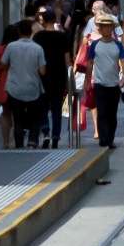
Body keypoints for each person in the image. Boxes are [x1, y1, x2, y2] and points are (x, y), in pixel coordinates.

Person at [1, 24, 48, 148]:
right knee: (35, 116)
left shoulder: (11, 47)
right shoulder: (38, 48)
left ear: (19, 32)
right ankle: (33, 140)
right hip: (33, 87)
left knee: (18, 119)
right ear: (31, 32)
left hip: (14, 88)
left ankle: (19, 144)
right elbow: (43, 71)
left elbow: (3, 64)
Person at [32, 10, 74, 149]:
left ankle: (45, 133)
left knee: (42, 107)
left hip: (43, 76)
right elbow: (67, 59)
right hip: (59, 76)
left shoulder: (38, 36)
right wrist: (70, 77)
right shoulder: (62, 37)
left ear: (43, 20)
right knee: (57, 109)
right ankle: (56, 136)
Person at [89, 12, 124, 150]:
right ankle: (103, 138)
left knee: (112, 114)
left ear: (112, 28)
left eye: (108, 26)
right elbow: (90, 63)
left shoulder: (118, 46)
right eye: (103, 26)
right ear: (99, 29)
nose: (106, 29)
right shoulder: (94, 45)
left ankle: (110, 139)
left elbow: (123, 61)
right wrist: (88, 80)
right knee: (102, 113)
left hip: (114, 85)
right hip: (99, 84)